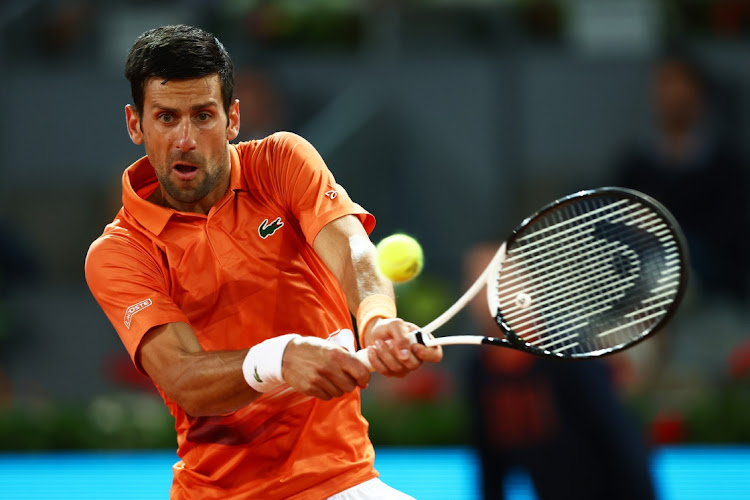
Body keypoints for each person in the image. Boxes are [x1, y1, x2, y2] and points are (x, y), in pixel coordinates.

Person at [84, 24, 441, 499]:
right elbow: (182, 377)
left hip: (341, 481)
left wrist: (376, 320)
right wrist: (279, 359)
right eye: (166, 117)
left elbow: (351, 247)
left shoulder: (282, 161)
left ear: (233, 119)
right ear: (136, 124)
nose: (185, 139)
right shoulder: (119, 252)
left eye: (203, 116)